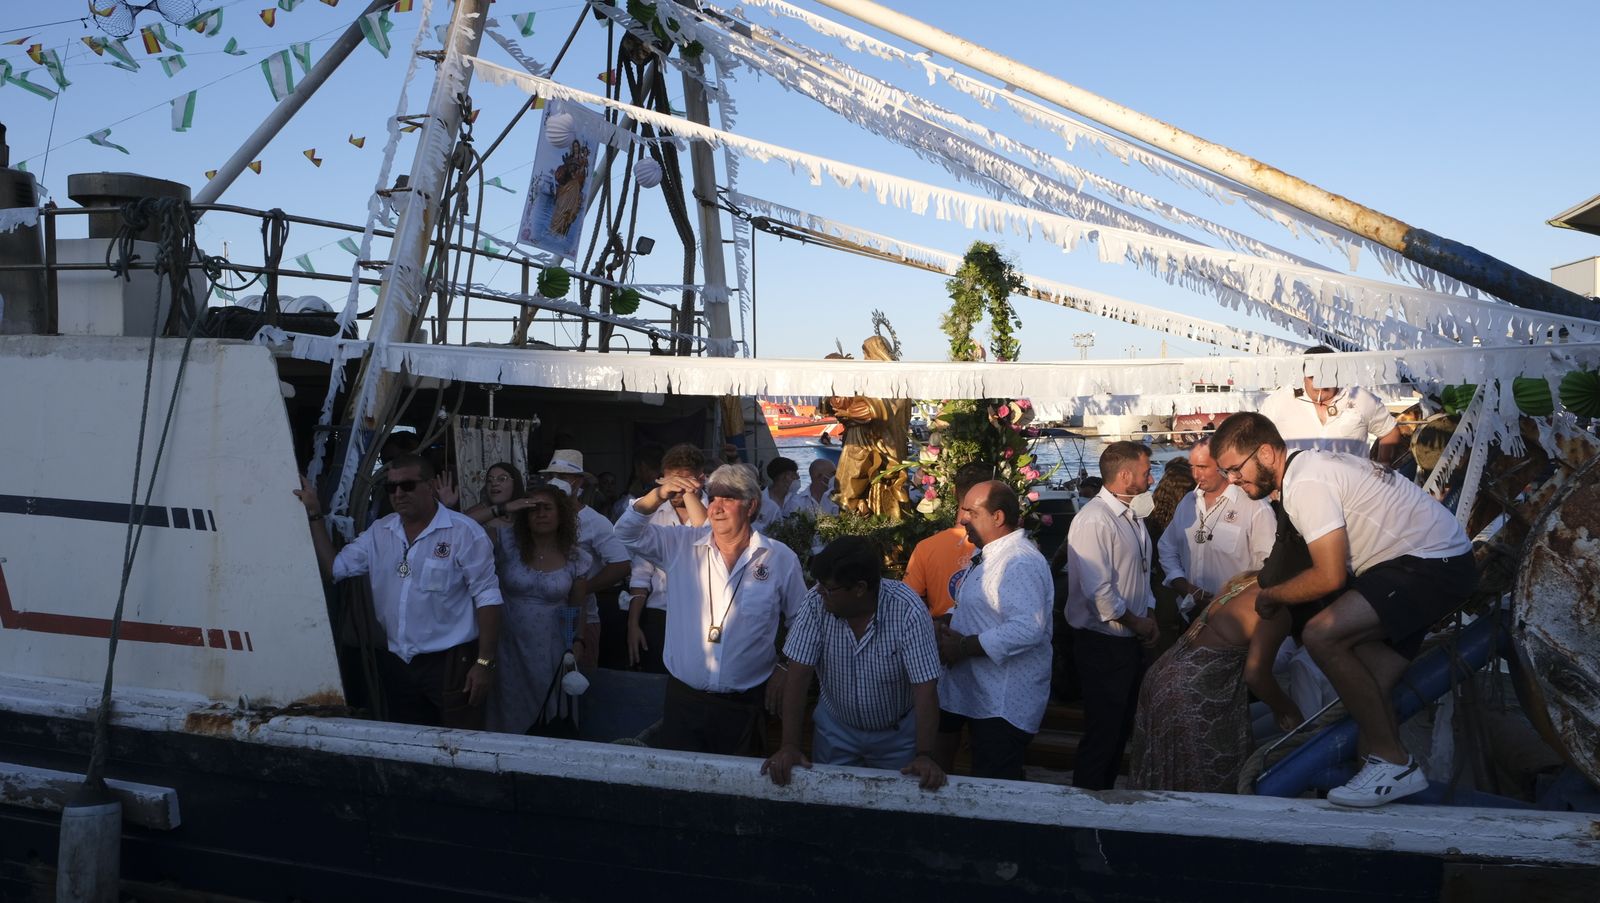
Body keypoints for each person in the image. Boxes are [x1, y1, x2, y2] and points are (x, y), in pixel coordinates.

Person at [1210, 412, 1476, 807]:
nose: (1231, 480)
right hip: (1432, 562)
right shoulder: (1309, 468)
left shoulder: (1306, 484)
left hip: (1427, 563)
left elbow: (1330, 575)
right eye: (1225, 472)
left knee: (1322, 634)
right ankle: (1378, 778)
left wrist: (1272, 596)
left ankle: (1393, 761)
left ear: (1265, 453)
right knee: (1375, 677)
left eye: (1235, 469)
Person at [296, 454, 503, 729]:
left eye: (407, 485)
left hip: (450, 665)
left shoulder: (464, 532)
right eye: (391, 487)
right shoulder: (379, 532)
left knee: (459, 745)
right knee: (407, 744)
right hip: (399, 662)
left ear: (430, 486)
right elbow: (335, 568)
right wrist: (314, 513)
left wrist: (484, 663)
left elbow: (487, 597)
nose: (398, 493)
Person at [614, 463, 806, 756]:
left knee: (740, 790)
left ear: (751, 506)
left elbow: (802, 622)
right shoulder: (679, 545)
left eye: (727, 499)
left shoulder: (779, 558)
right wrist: (660, 493)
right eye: (712, 497)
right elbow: (626, 532)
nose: (715, 507)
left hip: (745, 706)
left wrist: (784, 665)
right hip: (684, 702)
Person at [762, 537, 946, 790]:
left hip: (897, 736)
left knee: (895, 806)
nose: (819, 592)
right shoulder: (816, 603)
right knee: (831, 802)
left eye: (828, 588)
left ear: (860, 588)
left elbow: (925, 687)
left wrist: (924, 754)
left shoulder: (908, 609)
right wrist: (790, 746)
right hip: (835, 729)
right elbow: (798, 675)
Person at [1129, 577, 1296, 793]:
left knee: (1163, 786)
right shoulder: (1274, 609)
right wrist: (1288, 712)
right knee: (1206, 790)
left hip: (1162, 675)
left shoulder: (1243, 581)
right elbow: (1256, 676)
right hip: (1190, 692)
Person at [933, 481, 1053, 780]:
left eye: (971, 513)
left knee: (994, 787)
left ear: (997, 518)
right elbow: (978, 607)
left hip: (1003, 702)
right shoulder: (992, 554)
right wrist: (945, 625)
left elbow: (1028, 628)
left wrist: (962, 647)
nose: (962, 520)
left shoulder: (1019, 561)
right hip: (980, 695)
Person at [1064, 441, 1159, 791]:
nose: (1151, 478)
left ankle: (1102, 796)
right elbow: (1100, 593)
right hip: (1102, 645)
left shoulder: (1131, 515)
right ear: (1124, 475)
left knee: (1119, 730)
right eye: (1147, 471)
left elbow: (1142, 573)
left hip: (1127, 640)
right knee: (1103, 732)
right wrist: (1138, 621)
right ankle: (1086, 803)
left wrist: (1148, 612)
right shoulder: (1094, 520)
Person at [484, 483, 590, 735]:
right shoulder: (507, 544)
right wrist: (507, 507)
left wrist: (579, 641)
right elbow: (464, 523)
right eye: (533, 509)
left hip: (550, 646)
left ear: (561, 514)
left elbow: (579, 606)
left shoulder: (576, 557)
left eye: (547, 508)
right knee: (508, 702)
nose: (540, 514)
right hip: (508, 642)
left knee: (546, 703)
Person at [1156, 438, 1276, 624]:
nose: (1195, 474)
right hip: (1189, 615)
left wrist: (1233, 597)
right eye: (1192, 467)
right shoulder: (1188, 502)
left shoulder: (1254, 506)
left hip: (1236, 620)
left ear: (1222, 466)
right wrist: (1183, 585)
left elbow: (1269, 566)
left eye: (1203, 467)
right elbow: (1166, 548)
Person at [540, 449, 631, 672]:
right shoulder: (539, 516)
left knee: (576, 682)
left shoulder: (594, 522)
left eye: (562, 477)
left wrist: (582, 589)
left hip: (580, 618)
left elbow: (621, 565)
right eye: (551, 476)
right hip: (542, 617)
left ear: (577, 481)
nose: (554, 482)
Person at [624, 443, 708, 673]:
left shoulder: (716, 509)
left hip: (704, 615)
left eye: (685, 482)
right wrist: (633, 624)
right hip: (660, 612)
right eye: (672, 482)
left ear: (701, 479)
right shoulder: (652, 512)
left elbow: (710, 534)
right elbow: (641, 574)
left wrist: (690, 494)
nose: (677, 490)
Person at [1259, 345, 1402, 463]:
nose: (1320, 383)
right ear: (1303, 375)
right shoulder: (1278, 401)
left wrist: (1382, 469)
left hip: (1352, 493)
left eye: (1326, 376)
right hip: (1295, 492)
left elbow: (1389, 432)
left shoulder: (1359, 397)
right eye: (1313, 377)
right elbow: (1256, 441)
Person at [821, 336, 910, 520]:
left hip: (883, 444)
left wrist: (851, 412)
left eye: (866, 353)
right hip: (874, 441)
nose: (865, 359)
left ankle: (867, 518)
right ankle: (862, 514)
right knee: (863, 485)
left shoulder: (891, 380)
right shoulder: (877, 379)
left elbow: (881, 409)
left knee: (858, 477)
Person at [902, 462, 991, 621]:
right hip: (985, 637)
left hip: (941, 637)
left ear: (954, 491)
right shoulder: (997, 545)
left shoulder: (926, 548)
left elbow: (909, 604)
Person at [753, 456, 800, 533]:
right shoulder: (759, 500)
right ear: (785, 476)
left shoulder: (798, 500)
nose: (798, 477)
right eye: (794, 474)